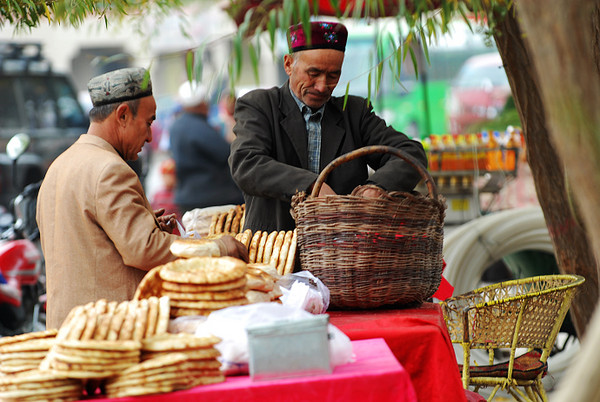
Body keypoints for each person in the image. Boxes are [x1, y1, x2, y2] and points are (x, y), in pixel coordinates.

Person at [36, 67, 248, 329]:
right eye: (148, 122)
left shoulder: (58, 166)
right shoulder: (110, 170)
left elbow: (90, 240)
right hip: (107, 330)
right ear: (123, 115)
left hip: (65, 326)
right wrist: (218, 248)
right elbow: (143, 249)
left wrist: (147, 223)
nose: (150, 136)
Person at [229, 21, 428, 232]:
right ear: (288, 65)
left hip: (343, 251)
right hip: (275, 249)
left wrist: (376, 188)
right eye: (313, 73)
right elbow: (246, 163)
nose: (323, 86)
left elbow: (410, 153)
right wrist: (310, 185)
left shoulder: (353, 112)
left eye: (333, 76)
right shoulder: (260, 106)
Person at [169, 81, 244, 215]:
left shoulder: (177, 125)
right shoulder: (198, 127)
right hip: (210, 197)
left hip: (189, 196)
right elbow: (226, 153)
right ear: (200, 104)